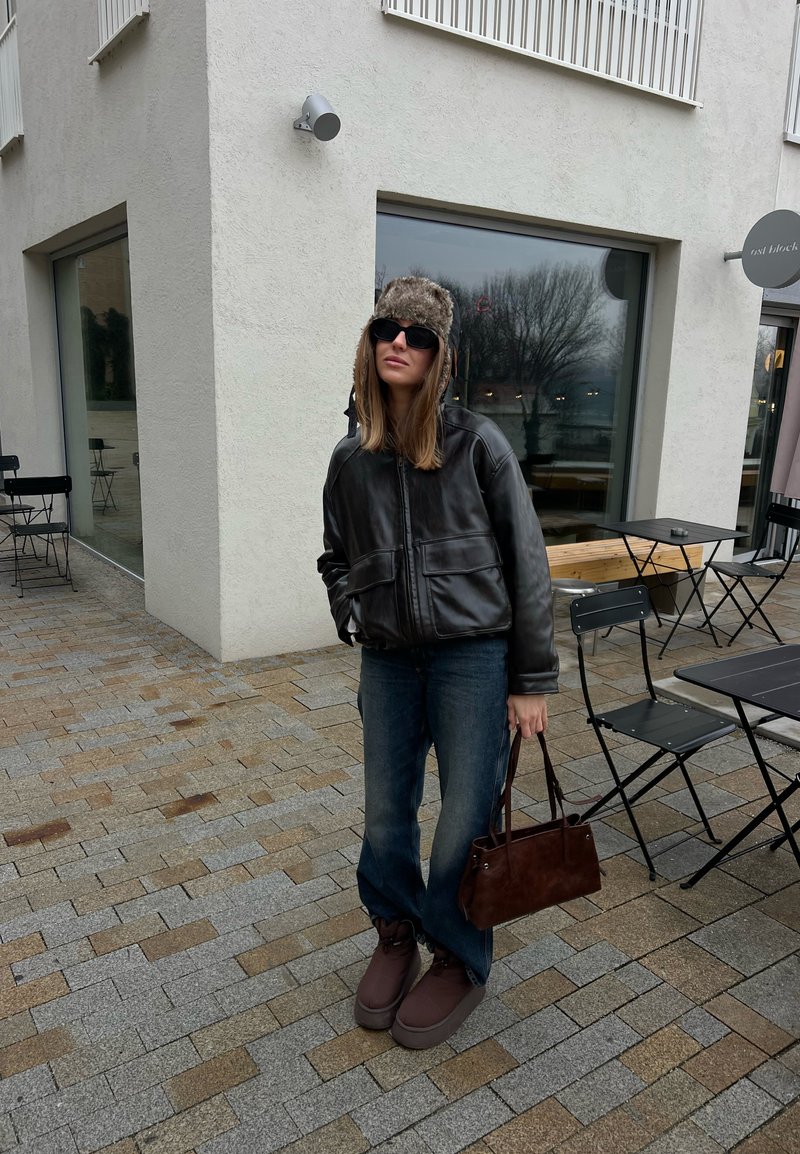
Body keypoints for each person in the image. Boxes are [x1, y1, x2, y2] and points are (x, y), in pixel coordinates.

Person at [318, 276, 558, 1049]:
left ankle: (458, 953)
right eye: (387, 329)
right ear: (369, 343)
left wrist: (530, 680)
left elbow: (527, 562)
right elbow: (335, 556)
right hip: (388, 661)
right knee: (386, 810)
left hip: (472, 660)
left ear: (438, 355)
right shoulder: (350, 459)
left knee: (465, 817)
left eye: (418, 335)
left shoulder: (477, 444)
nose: (400, 342)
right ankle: (396, 931)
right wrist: (353, 611)